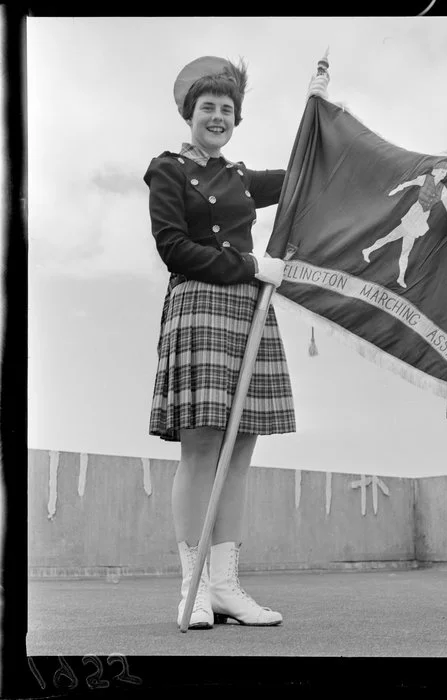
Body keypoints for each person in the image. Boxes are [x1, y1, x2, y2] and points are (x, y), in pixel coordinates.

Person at [143, 55, 329, 630]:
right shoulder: (168, 169)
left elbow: (304, 172)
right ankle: (192, 587)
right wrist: (250, 263)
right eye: (208, 108)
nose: (217, 117)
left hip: (247, 312)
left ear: (236, 118)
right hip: (199, 305)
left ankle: (224, 586)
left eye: (226, 110)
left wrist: (319, 108)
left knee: (240, 453)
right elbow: (173, 247)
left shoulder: (244, 178)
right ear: (190, 114)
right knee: (201, 450)